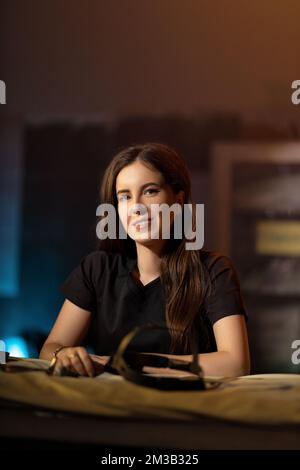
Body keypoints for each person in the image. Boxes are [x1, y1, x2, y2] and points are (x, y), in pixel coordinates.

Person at [39, 143, 250, 378]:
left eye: (150, 191)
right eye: (125, 197)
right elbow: (50, 349)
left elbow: (236, 363)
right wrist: (63, 355)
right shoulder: (97, 269)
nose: (137, 207)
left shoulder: (213, 271)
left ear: (178, 201)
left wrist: (130, 363)